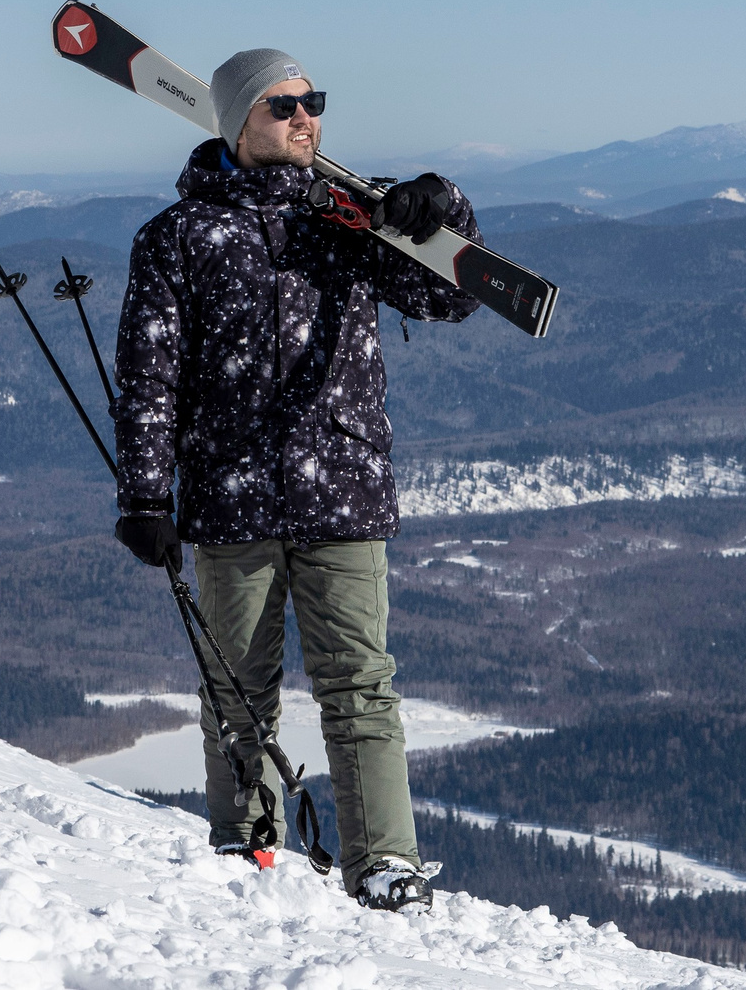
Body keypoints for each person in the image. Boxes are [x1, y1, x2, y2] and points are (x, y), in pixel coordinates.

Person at [108, 47, 480, 913]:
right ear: (239, 120)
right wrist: (142, 496)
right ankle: (248, 847)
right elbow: (149, 378)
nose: (306, 116)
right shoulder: (177, 238)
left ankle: (384, 861)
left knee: (360, 686)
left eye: (314, 101)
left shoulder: (353, 219)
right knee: (237, 691)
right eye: (285, 106)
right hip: (229, 497)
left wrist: (438, 204)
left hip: (341, 491)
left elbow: (453, 296)